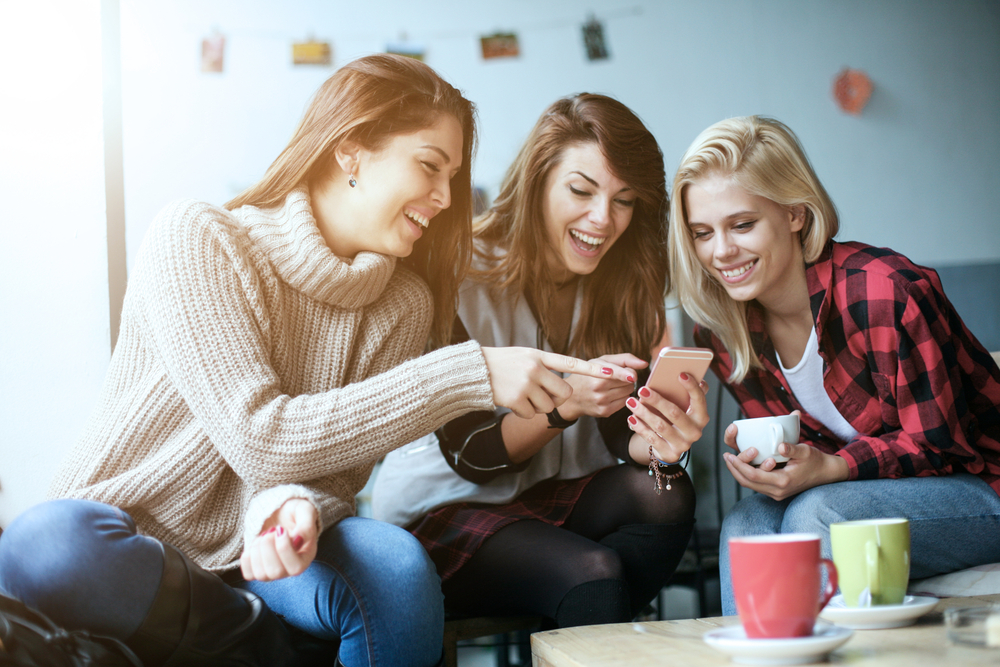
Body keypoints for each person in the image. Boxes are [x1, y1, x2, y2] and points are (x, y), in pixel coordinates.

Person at [0, 55, 631, 667]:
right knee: (44, 544)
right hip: (138, 541)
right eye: (429, 166)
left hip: (269, 552)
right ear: (350, 149)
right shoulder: (201, 238)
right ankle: (263, 647)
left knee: (396, 569)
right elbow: (260, 435)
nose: (443, 196)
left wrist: (304, 507)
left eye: (451, 177)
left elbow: (329, 473)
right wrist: (471, 372)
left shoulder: (403, 306)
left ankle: (241, 637)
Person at [373, 93, 705, 628]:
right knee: (594, 572)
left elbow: (623, 441)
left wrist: (663, 438)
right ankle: (591, 608)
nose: (603, 219)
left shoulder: (621, 285)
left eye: (624, 200)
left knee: (666, 490)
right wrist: (563, 406)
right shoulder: (455, 275)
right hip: (446, 510)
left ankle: (588, 616)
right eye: (581, 190)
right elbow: (472, 453)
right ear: (537, 183)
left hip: (553, 507)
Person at [666, 115, 1000, 615]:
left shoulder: (885, 291)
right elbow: (809, 452)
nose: (721, 251)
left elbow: (939, 446)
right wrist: (776, 466)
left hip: (981, 488)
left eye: (742, 225)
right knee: (747, 525)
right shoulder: (723, 331)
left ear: (796, 214)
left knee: (818, 513)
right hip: (868, 494)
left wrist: (833, 468)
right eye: (701, 233)